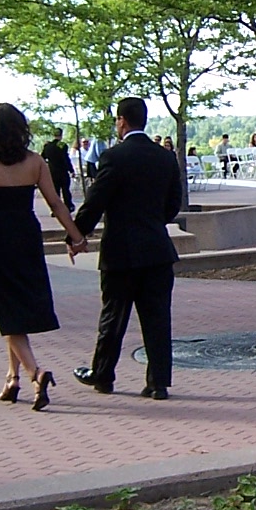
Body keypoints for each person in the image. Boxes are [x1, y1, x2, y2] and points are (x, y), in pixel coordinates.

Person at [0, 103, 85, 411]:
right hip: (27, 237)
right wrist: (77, 236)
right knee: (15, 308)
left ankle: (35, 373)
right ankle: (11, 378)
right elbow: (55, 203)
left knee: (6, 310)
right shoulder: (36, 162)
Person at [72, 96, 183, 399]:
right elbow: (174, 203)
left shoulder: (113, 157)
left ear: (122, 120)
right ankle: (158, 382)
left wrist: (76, 234)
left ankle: (103, 375)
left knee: (113, 316)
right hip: (157, 250)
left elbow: (96, 201)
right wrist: (152, 221)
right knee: (158, 319)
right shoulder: (165, 158)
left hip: (120, 252)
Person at [40, 127, 75, 212]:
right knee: (66, 190)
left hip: (52, 172)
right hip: (62, 172)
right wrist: (71, 170)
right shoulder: (62, 145)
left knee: (55, 192)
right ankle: (68, 206)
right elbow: (66, 159)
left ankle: (55, 209)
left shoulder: (48, 146)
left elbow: (42, 158)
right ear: (61, 135)